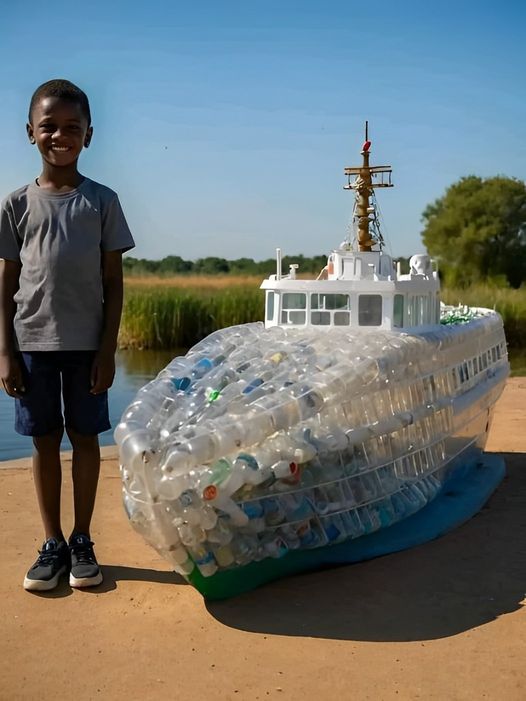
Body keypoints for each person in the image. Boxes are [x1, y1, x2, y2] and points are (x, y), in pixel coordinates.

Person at [0, 79, 135, 591]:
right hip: (31, 344)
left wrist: (107, 350)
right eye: (49, 126)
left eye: (72, 128)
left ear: (89, 135)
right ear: (29, 132)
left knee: (84, 439)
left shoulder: (102, 201)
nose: (60, 135)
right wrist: (5, 352)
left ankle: (82, 539)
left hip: (86, 348)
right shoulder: (16, 205)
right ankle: (52, 542)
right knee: (43, 441)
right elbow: (5, 284)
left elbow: (113, 284)